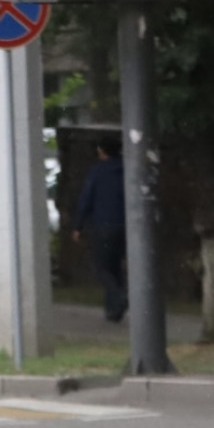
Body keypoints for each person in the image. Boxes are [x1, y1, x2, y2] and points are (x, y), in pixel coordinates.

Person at [73, 138, 128, 322]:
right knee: (116, 266)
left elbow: (86, 200)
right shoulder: (126, 170)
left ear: (102, 151)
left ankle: (119, 296)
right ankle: (113, 311)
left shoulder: (97, 172)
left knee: (102, 268)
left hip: (103, 224)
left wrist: (78, 226)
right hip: (125, 225)